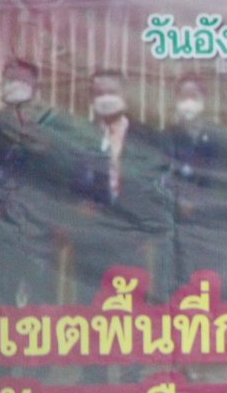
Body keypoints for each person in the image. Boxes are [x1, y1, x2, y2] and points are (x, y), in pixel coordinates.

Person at [68, 70, 170, 302]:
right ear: (91, 99)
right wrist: (80, 207)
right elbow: (70, 184)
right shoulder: (79, 137)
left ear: (124, 94)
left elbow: (157, 186)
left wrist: (143, 223)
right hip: (92, 236)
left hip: (135, 236)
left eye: (111, 92)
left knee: (135, 307)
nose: (105, 98)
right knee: (93, 303)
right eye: (99, 93)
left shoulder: (148, 138)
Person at [0, 58, 69, 306]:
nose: (16, 85)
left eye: (23, 81)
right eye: (11, 79)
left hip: (38, 222)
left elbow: (59, 179)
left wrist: (58, 218)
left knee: (37, 288)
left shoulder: (48, 131)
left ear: (35, 87)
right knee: (0, 286)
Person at [161, 74, 227, 295]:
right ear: (175, 99)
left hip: (212, 227)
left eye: (193, 96)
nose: (188, 102)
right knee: (182, 287)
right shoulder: (167, 136)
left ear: (204, 100)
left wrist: (199, 203)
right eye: (183, 96)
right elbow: (160, 177)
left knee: (212, 286)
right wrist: (178, 202)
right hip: (177, 227)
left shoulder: (220, 137)